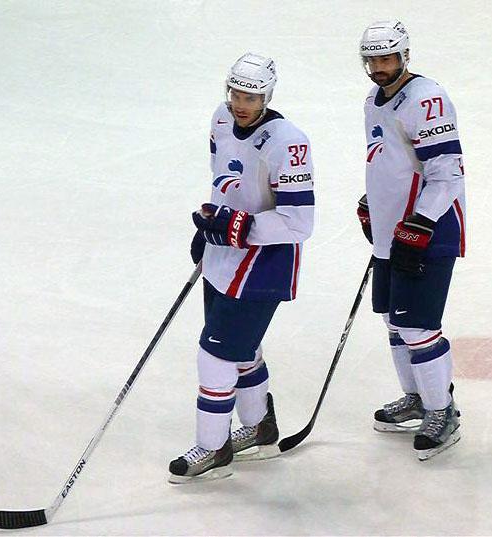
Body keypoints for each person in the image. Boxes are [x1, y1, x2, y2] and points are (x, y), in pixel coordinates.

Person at [169, 53, 315, 483]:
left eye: (251, 95)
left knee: (215, 355)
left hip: (263, 266)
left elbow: (299, 222)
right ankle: (260, 428)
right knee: (241, 351)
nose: (241, 103)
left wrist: (240, 226)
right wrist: (212, 221)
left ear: (268, 95)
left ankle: (213, 449)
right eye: (235, 92)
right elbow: (223, 178)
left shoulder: (288, 142)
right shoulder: (220, 119)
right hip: (223, 257)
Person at [357, 21, 465, 460]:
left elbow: (448, 172)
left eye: (387, 59)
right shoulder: (373, 100)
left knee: (419, 326)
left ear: (404, 55)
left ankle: (443, 411)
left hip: (428, 230)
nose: (379, 68)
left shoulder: (427, 99)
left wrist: (420, 223)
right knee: (394, 322)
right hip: (391, 231)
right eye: (372, 61)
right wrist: (374, 201)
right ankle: (419, 397)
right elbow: (393, 162)